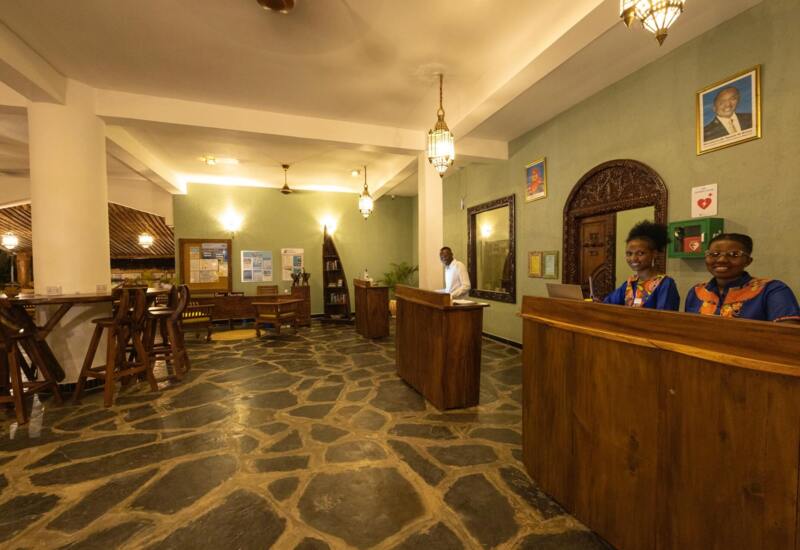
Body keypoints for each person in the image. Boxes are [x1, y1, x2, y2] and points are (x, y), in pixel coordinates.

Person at [685, 233, 800, 323]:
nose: (721, 260)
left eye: (734, 254)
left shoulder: (772, 290)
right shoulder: (697, 291)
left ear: (748, 261)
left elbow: (787, 336)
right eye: (714, 254)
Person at [603, 220, 680, 310]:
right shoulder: (630, 283)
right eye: (629, 254)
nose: (633, 258)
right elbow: (608, 304)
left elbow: (665, 319)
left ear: (654, 254)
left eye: (640, 253)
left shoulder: (665, 284)